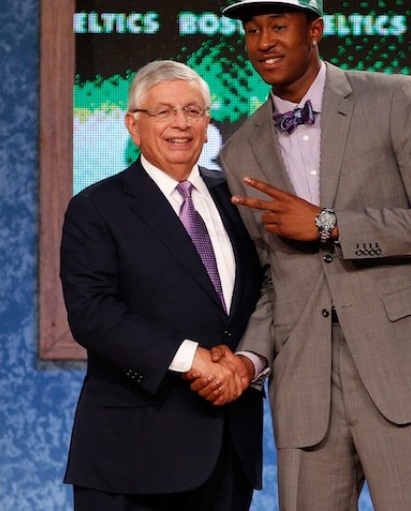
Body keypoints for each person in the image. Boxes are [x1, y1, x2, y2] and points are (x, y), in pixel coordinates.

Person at [210, 0, 411, 510]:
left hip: (403, 375)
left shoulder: (394, 99)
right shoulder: (240, 152)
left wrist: (331, 225)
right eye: (252, 29)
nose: (263, 42)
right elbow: (271, 281)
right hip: (307, 395)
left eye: (278, 25)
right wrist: (249, 359)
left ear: (315, 30)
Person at [59, 59, 263, 511]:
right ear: (133, 125)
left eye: (193, 111)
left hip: (229, 450)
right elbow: (93, 313)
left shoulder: (238, 202)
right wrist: (193, 360)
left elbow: (270, 295)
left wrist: (247, 363)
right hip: (132, 458)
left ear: (208, 123)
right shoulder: (97, 208)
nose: (181, 124)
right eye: (164, 111)